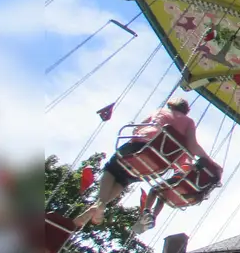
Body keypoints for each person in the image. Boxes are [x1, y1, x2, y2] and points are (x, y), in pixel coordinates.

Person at [77, 96, 216, 228]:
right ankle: (99, 205)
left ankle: (100, 203)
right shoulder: (189, 122)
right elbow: (192, 145)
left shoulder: (161, 111)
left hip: (140, 148)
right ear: (186, 110)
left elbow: (138, 128)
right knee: (125, 179)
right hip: (158, 166)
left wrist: (139, 132)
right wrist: (208, 160)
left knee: (111, 168)